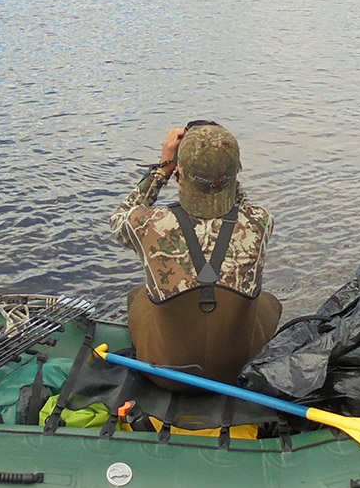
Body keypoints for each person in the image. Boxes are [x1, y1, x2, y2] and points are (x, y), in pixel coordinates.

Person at [109, 122, 282, 382]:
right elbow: (242, 204)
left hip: (167, 377)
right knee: (269, 301)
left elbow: (119, 217)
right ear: (235, 174)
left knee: (138, 296)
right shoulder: (260, 222)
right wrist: (221, 162)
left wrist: (163, 167)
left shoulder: (148, 224)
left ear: (180, 173)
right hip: (237, 372)